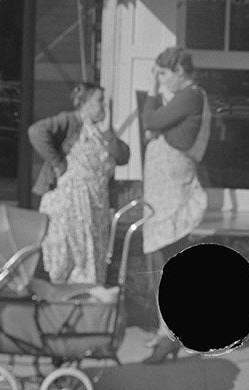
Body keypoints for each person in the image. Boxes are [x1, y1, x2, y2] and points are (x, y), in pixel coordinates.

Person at [140, 47, 211, 363]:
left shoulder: (191, 96)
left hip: (173, 194)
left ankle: (171, 334)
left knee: (170, 263)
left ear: (181, 70)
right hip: (163, 193)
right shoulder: (183, 97)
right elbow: (153, 125)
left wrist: (151, 95)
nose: (160, 80)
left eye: (164, 73)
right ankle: (166, 330)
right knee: (165, 262)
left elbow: (151, 120)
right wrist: (157, 124)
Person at [36, 83, 129, 285]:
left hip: (95, 208)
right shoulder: (71, 121)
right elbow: (37, 131)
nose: (104, 106)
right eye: (99, 101)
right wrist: (58, 163)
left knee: (92, 262)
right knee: (67, 262)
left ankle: (86, 300)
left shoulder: (102, 132)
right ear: (85, 103)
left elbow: (123, 156)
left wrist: (108, 131)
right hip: (69, 206)